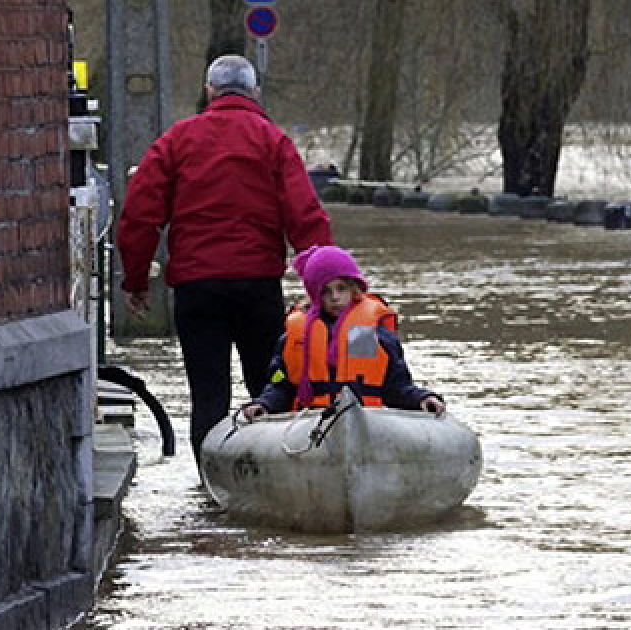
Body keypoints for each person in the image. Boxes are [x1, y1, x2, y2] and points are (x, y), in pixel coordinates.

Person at [116, 54, 334, 463]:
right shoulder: (274, 142)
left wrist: (136, 281)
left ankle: (211, 490)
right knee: (270, 389)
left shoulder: (176, 140)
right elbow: (305, 217)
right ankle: (273, 478)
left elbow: (139, 217)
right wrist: (325, 290)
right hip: (258, 287)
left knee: (208, 394)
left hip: (198, 289)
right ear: (254, 92)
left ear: (209, 91)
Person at [239, 245, 445, 420]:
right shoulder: (295, 336)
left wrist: (421, 398)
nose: (335, 297)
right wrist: (263, 404)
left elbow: (396, 386)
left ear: (354, 289)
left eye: (341, 288)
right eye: (326, 291)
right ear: (314, 294)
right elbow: (281, 386)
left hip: (367, 421)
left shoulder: (368, 333)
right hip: (309, 422)